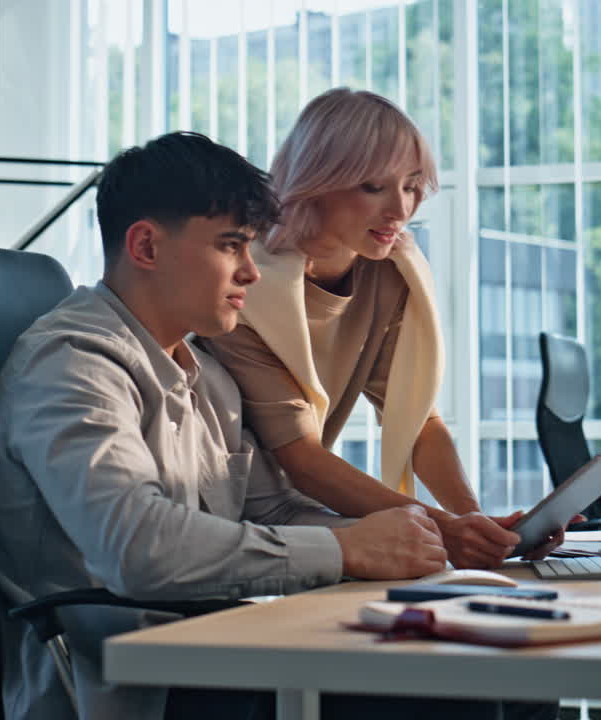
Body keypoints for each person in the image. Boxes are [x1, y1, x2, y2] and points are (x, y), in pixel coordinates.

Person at [0, 131, 455, 720]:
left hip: (212, 650)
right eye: (232, 247)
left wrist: (393, 538)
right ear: (146, 246)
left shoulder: (209, 377)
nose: (252, 273)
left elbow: (272, 509)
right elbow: (137, 549)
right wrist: (343, 547)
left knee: (482, 672)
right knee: (452, 693)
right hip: (129, 682)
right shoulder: (71, 363)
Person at [204, 88, 572, 570]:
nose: (400, 209)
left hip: (300, 513)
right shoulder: (248, 281)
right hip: (229, 517)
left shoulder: (388, 271)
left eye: (413, 184)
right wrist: (445, 528)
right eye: (373, 187)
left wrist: (476, 525)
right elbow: (302, 458)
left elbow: (418, 419)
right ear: (317, 181)